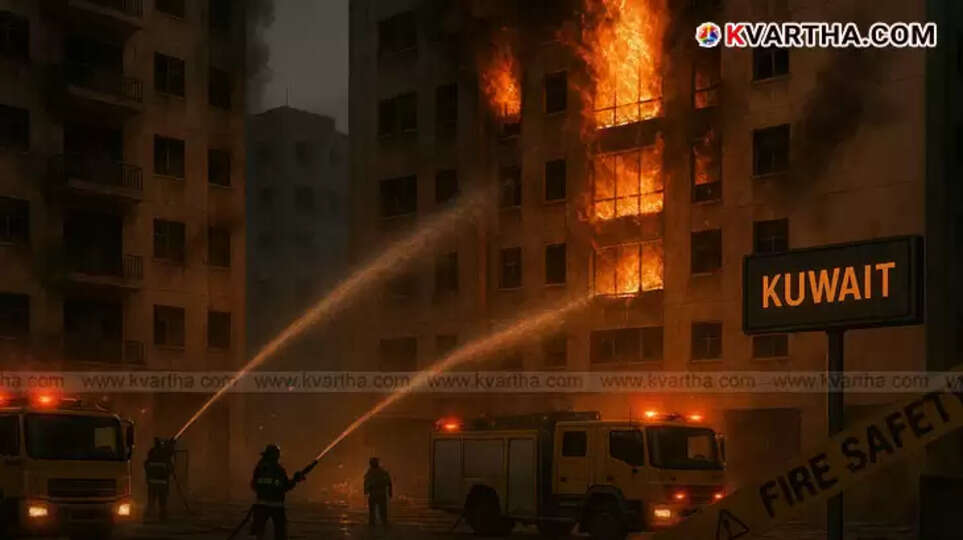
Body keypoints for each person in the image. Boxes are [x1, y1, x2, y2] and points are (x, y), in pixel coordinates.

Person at [250, 444, 304, 540]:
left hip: (260, 505)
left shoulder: (259, 468)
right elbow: (285, 486)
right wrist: (295, 479)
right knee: (280, 534)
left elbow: (254, 485)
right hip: (277, 506)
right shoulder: (278, 469)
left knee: (258, 533)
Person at [144, 438, 174, 522]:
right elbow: (170, 469)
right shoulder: (165, 455)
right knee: (162, 502)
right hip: (162, 484)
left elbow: (146, 466)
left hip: (152, 483)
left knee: (151, 501)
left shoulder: (152, 453)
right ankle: (162, 517)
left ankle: (149, 516)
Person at [363, 457, 392, 527]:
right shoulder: (382, 471)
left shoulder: (370, 472)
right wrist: (390, 492)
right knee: (381, 510)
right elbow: (389, 482)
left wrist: (366, 491)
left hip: (375, 494)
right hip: (379, 493)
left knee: (374, 511)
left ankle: (375, 523)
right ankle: (382, 523)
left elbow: (366, 482)